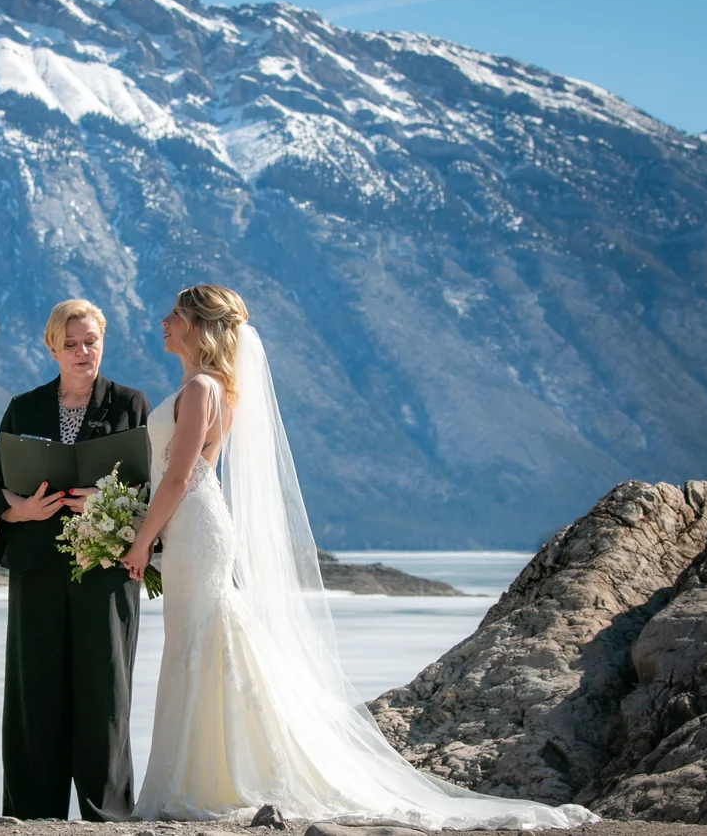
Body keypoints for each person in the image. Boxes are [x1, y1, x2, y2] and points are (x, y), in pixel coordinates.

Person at [119, 285, 597, 828]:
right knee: (201, 637)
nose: (163, 320)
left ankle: (209, 774)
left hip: (195, 526)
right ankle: (209, 769)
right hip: (192, 526)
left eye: (174, 314)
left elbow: (181, 477)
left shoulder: (203, 386)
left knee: (203, 638)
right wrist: (155, 529)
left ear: (198, 325)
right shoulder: (207, 386)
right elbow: (183, 474)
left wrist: (140, 541)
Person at [0, 299, 151, 820]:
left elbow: (151, 488)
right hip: (37, 569)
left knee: (105, 692)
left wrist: (108, 503)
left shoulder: (129, 404)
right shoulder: (24, 408)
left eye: (91, 342)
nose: (82, 353)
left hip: (106, 571)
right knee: (37, 691)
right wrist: (19, 509)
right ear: (52, 347)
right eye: (71, 344)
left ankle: (108, 816)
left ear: (104, 342)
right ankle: (31, 816)